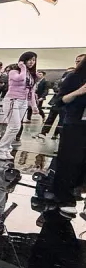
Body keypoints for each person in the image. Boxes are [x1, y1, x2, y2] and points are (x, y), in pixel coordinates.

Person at [50, 55, 86, 217]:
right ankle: (64, 198)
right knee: (70, 162)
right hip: (75, 125)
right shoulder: (74, 77)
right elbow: (60, 101)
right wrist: (79, 91)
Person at [0, 52, 39, 161]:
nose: (32, 62)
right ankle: (1, 149)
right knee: (15, 127)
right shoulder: (14, 72)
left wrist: (34, 106)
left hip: (23, 102)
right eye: (29, 59)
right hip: (12, 100)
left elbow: (31, 91)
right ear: (23, 60)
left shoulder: (32, 75)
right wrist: (22, 67)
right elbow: (20, 79)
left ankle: (4, 148)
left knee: (13, 127)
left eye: (34, 60)